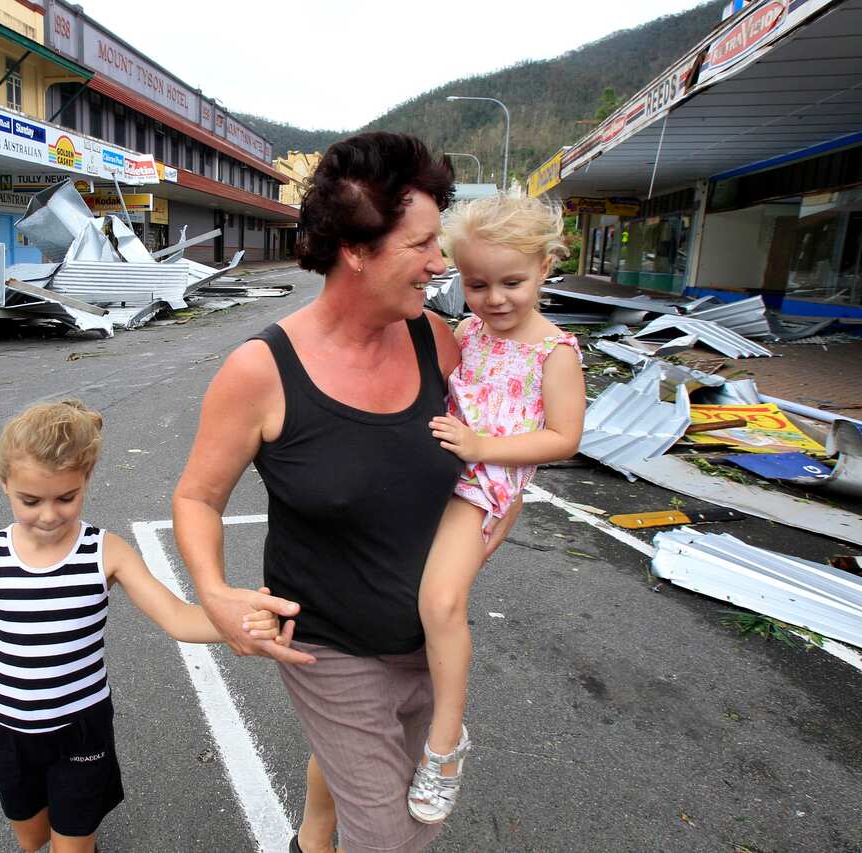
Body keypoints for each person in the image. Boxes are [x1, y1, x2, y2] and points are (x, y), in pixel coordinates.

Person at [173, 132, 520, 853]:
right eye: (421, 244)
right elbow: (198, 497)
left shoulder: (437, 341)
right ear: (357, 250)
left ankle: (309, 839)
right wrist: (215, 591)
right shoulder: (261, 371)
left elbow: (495, 463)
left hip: (429, 636)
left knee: (394, 786)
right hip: (328, 643)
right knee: (396, 832)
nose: (439, 262)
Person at [0, 400, 282, 853]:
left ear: (86, 481)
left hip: (81, 727)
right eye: (30, 500)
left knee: (73, 843)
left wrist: (241, 623)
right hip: (8, 726)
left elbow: (178, 617)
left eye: (66, 498)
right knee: (32, 837)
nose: (48, 515)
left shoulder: (106, 552)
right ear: (4, 482)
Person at [407, 195, 586, 824]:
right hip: (441, 469)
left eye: (512, 282)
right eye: (478, 283)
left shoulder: (555, 351)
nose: (496, 299)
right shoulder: (469, 332)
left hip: (480, 481)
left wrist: (486, 448)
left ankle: (445, 744)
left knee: (441, 601)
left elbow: (565, 437)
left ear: (544, 267)